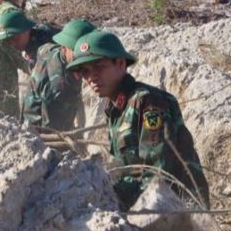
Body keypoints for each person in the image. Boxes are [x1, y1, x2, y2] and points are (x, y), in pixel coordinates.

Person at [65, 30, 210, 210]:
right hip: (149, 204)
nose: (92, 77)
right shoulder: (116, 108)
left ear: (120, 63)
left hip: (179, 210)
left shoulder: (148, 102)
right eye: (85, 71)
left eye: (99, 67)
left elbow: (158, 174)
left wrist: (111, 195)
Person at [22, 18, 96, 130]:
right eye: (77, 53)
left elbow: (41, 50)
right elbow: (53, 131)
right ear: (65, 47)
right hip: (38, 132)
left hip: (31, 118)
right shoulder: (59, 87)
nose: (83, 60)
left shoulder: (50, 49)